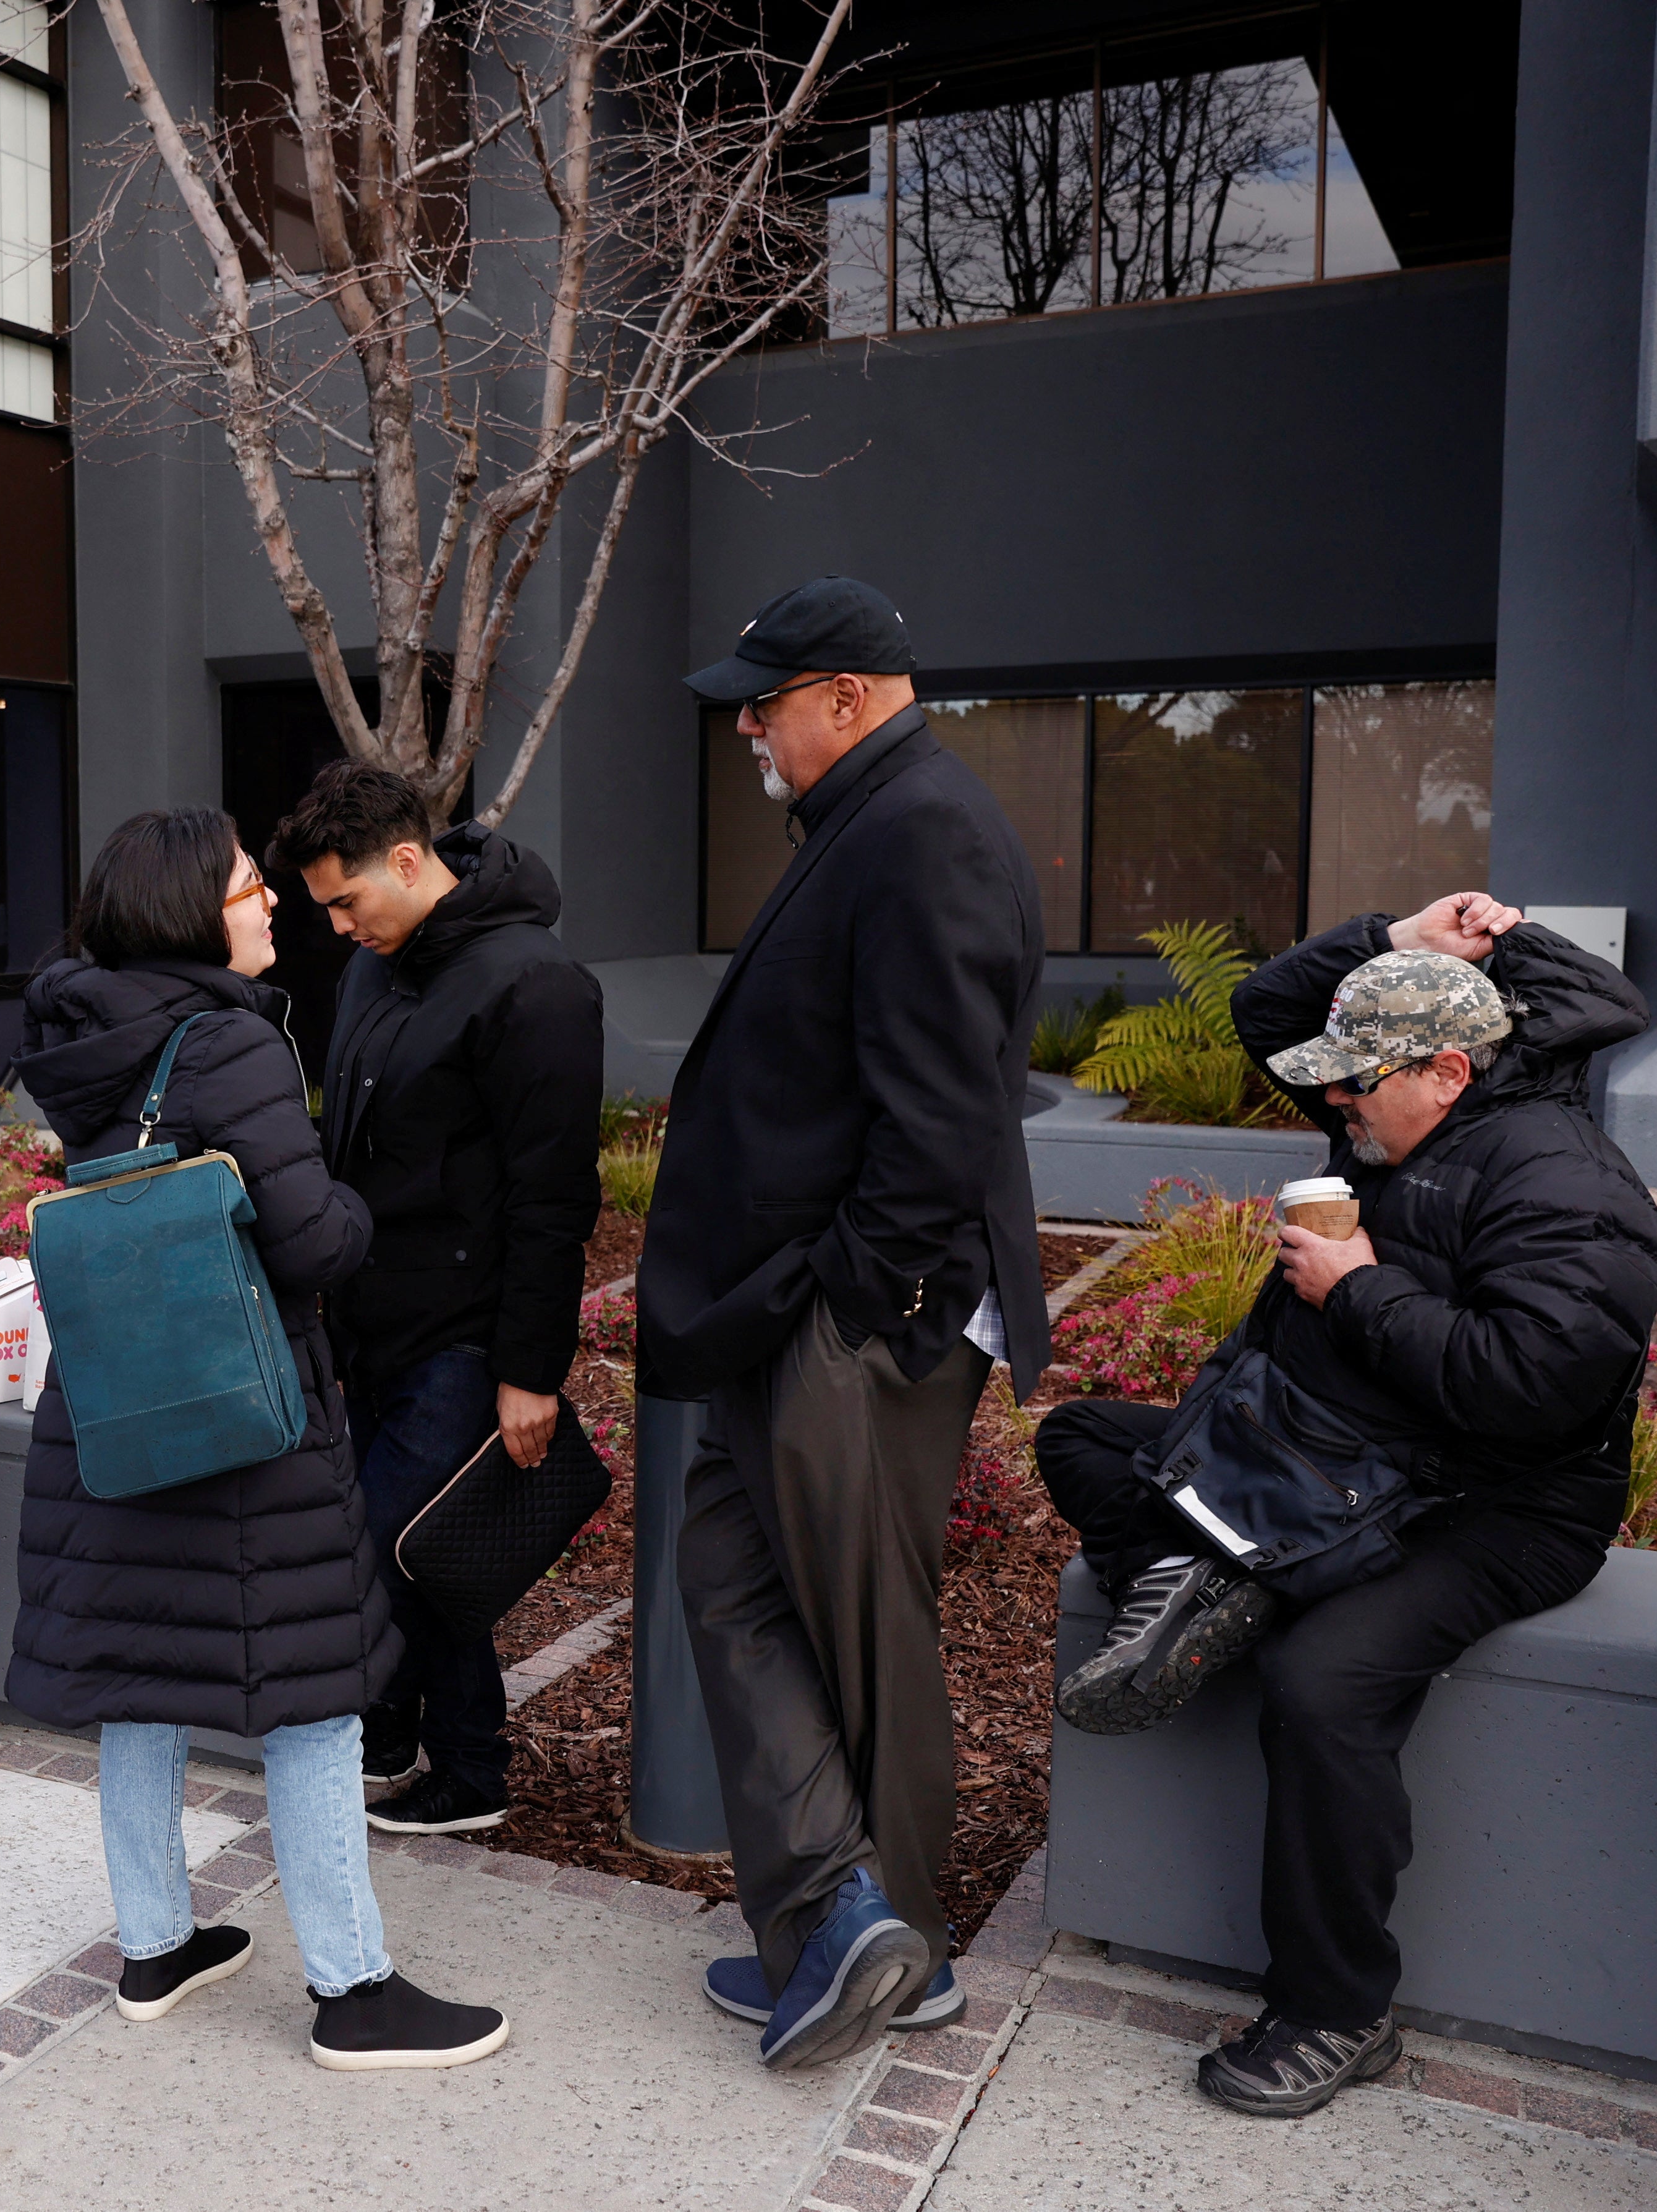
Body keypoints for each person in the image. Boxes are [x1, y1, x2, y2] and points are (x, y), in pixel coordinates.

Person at [1035, 901, 1657, 2118]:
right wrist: (1399, 931)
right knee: (1082, 1438)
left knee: (1321, 1683)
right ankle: (1201, 1584)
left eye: (1355, 1086)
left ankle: (1334, 2009)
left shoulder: (1565, 1182)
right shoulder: (1402, 1110)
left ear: (1445, 1069)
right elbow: (1269, 1017)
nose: (1330, 1107)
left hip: (1497, 1502)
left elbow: (1536, 1388)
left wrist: (1358, 1289)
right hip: (1342, 1454)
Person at [9, 806, 511, 2071]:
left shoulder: (83, 1035)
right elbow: (314, 1240)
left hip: (120, 1402)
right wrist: (346, 1196)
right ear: (191, 909)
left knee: (140, 1678)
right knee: (317, 1692)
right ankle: (352, 1989)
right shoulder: (223, 1044)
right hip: (244, 1415)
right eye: (245, 889)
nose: (271, 904)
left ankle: (155, 1942)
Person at [642, 577, 1048, 2070]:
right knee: (735, 1590)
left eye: (764, 695)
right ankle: (836, 1922)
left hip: (858, 1329)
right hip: (796, 1321)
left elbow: (937, 1118)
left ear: (847, 696)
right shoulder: (872, 822)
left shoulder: (921, 829)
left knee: (860, 1639)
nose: (744, 721)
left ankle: (904, 1955)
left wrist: (862, 1311)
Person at [265, 759, 603, 1838]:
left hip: (465, 1334)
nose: (335, 928)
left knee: (403, 1544)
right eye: (321, 909)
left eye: (346, 902)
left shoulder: (536, 986)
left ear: (408, 862)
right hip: (370, 1320)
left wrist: (529, 1373)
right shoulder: (378, 964)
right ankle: (401, 1729)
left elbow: (554, 1199)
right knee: (406, 1544)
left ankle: (470, 1764)